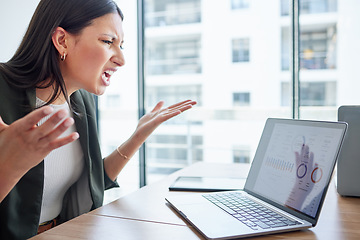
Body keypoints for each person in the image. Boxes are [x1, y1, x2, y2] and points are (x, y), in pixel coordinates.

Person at [0, 0, 196, 238]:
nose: (121, 59)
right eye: (107, 41)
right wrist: (11, 164)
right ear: (62, 40)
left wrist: (137, 136)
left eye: (121, 45)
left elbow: (92, 183)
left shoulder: (81, 100)